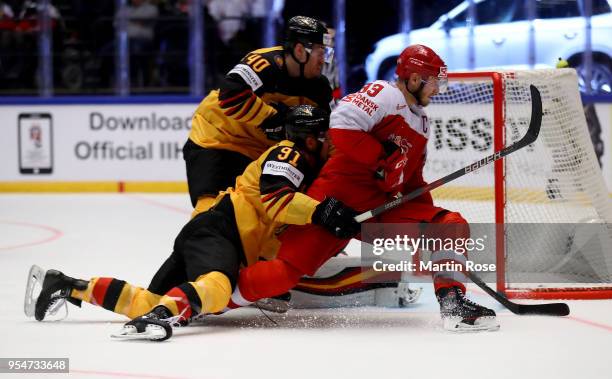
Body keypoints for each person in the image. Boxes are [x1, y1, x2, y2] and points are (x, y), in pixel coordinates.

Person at [25, 105, 360, 341]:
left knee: (146, 300)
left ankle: (68, 285)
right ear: (311, 139)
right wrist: (322, 212)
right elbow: (276, 198)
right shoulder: (289, 154)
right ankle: (160, 319)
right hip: (221, 230)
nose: (334, 142)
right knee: (218, 284)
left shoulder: (305, 164)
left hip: (207, 230)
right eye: (327, 136)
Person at [227, 44, 500, 332]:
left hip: (377, 211)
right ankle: (212, 299)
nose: (437, 90)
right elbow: (341, 126)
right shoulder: (385, 94)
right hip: (334, 205)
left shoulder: (421, 122)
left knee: (448, 225)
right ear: (416, 78)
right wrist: (381, 159)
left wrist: (426, 217)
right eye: (434, 82)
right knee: (284, 274)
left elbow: (412, 182)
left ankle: (453, 304)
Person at [185, 15, 334, 216]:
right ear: (300, 51)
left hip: (258, 152)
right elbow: (230, 95)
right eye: (320, 52)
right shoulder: (266, 62)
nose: (324, 60)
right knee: (212, 211)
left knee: (257, 218)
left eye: (327, 53)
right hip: (217, 138)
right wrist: (274, 119)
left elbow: (324, 134)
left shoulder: (320, 88)